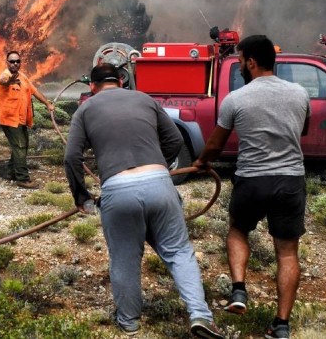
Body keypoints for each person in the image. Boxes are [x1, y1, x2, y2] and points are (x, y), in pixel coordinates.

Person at [64, 63, 224, 339]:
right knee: (178, 252)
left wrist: (83, 197)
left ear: (92, 86)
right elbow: (174, 139)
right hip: (159, 183)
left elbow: (71, 157)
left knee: (125, 259)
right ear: (122, 82)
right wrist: (157, 166)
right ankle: (200, 315)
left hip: (117, 189)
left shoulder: (85, 109)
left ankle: (129, 324)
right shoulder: (144, 99)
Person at [195, 35, 310, 339]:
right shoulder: (299, 94)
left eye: (241, 60)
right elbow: (304, 129)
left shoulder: (236, 98)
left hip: (252, 180)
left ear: (252, 62)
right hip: (289, 181)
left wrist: (202, 162)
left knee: (237, 231)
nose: (240, 65)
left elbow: (215, 145)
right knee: (287, 253)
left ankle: (238, 291)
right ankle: (281, 325)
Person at [0, 50, 55, 189]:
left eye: (17, 61)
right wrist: (9, 81)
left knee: (21, 146)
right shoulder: (5, 75)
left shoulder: (23, 77)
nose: (15, 64)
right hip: (10, 120)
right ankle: (22, 179)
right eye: (12, 61)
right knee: (20, 146)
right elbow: (3, 81)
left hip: (21, 119)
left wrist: (47, 104)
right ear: (7, 62)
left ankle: (11, 172)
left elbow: (35, 92)